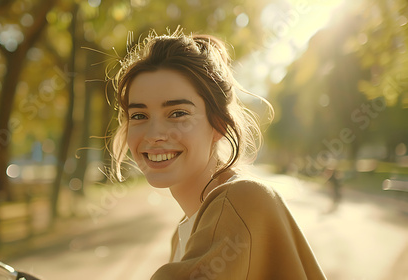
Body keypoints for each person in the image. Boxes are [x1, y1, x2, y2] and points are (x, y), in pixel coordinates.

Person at [110, 28, 326, 279]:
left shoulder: (242, 199)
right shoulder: (184, 233)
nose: (154, 134)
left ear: (219, 124)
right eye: (139, 115)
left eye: (178, 113)